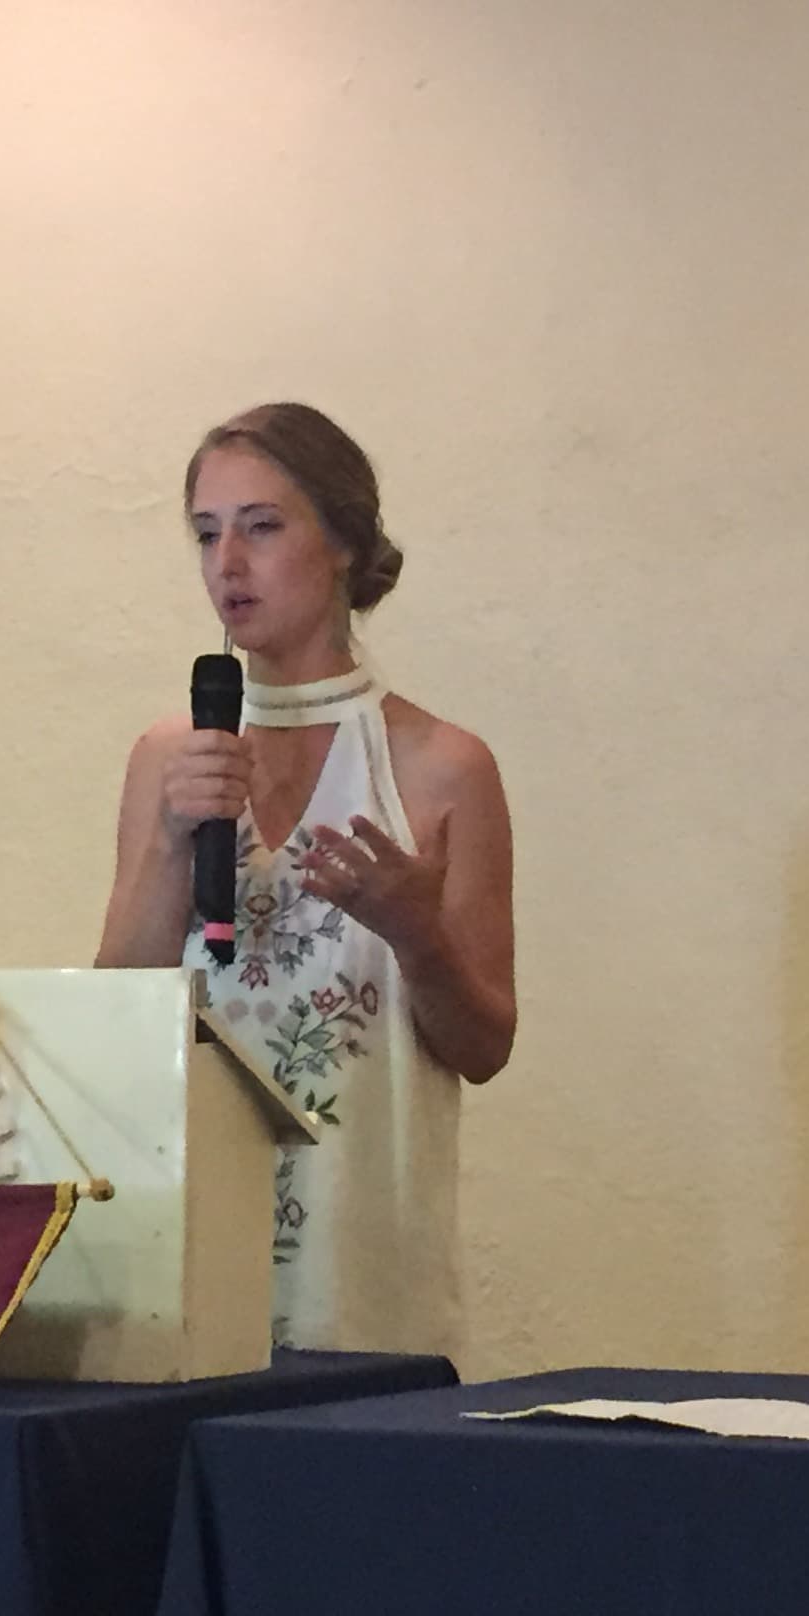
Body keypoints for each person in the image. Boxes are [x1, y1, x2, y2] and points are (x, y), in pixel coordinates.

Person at [99, 404, 515, 1352]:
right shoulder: (173, 754)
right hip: (191, 1265)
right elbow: (118, 1014)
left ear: (341, 542)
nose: (226, 565)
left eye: (262, 526)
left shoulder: (443, 767)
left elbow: (484, 1043)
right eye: (207, 534)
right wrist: (170, 841)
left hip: (361, 1279)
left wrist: (418, 933)